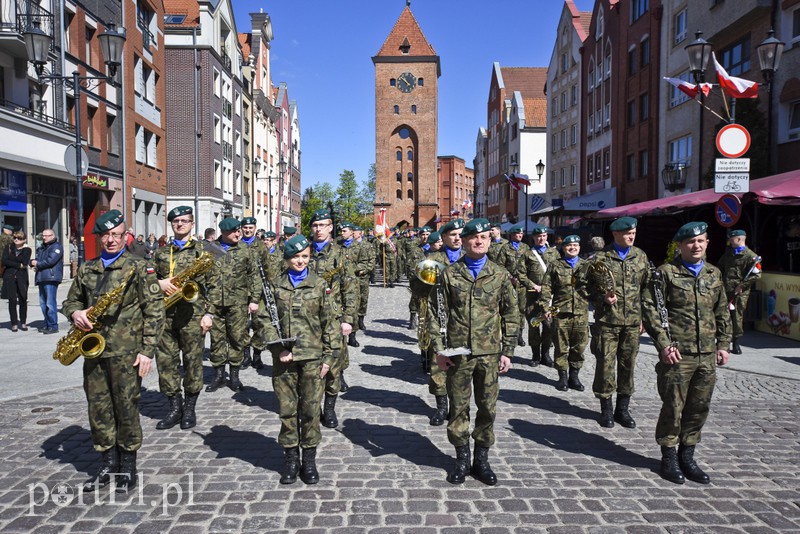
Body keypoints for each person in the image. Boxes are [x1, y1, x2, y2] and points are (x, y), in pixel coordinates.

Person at [61, 210, 165, 493]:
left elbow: (155, 312)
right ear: (99, 237)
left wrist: (147, 351)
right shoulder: (87, 268)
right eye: (105, 235)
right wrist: (75, 313)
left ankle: (128, 465)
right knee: (98, 407)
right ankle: (107, 462)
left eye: (116, 235)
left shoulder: (140, 267)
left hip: (127, 353)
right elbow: (70, 302)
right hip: (94, 352)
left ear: (125, 236)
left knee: (126, 406)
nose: (111, 240)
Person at [431, 218, 517, 486]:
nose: (479, 241)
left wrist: (508, 351)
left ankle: (481, 460)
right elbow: (437, 314)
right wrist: (440, 350)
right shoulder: (449, 274)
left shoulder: (500, 275)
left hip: (489, 353)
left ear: (490, 241)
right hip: (458, 352)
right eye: (473, 237)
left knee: (487, 407)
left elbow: (511, 314)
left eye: (484, 237)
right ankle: (461, 459)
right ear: (465, 241)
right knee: (458, 407)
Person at [642, 222, 730, 485]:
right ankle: (668, 457)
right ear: (680, 245)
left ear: (707, 243)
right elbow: (651, 310)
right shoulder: (665, 274)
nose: (696, 246)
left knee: (699, 407)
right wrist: (664, 345)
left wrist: (724, 344)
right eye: (691, 242)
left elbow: (722, 310)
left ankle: (687, 456)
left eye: (701, 241)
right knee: (673, 406)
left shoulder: (714, 273)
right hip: (678, 354)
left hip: (706, 353)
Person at [264, 234, 337, 485]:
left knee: (311, 410)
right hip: (284, 359)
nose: (300, 261)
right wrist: (278, 349)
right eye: (295, 256)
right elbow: (264, 320)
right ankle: (291, 459)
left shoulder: (319, 285)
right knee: (287, 410)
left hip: (312, 358)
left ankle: (309, 460)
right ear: (287, 258)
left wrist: (329, 357)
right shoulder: (275, 285)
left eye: (304, 256)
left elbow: (330, 323)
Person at [153, 206, 216, 431]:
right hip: (165, 315)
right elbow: (146, 282)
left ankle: (189, 408)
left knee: (192, 363)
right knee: (166, 363)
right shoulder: (161, 252)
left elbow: (214, 285)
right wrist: (159, 284)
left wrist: (209, 314)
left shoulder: (204, 251)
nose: (180, 224)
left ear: (192, 223)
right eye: (176, 221)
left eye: (184, 221)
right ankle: (174, 407)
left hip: (193, 315)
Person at [587, 216, 650, 429]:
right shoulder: (600, 258)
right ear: (615, 234)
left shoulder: (640, 256)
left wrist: (644, 317)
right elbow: (583, 288)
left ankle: (622, 409)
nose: (631, 236)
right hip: (607, 322)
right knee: (605, 365)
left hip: (632, 321)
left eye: (633, 233)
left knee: (628, 364)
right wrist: (601, 299)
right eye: (627, 233)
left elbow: (647, 289)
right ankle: (606, 409)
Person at [308, 208, 357, 428]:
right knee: (310, 364)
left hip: (333, 318)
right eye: (315, 225)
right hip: (307, 320)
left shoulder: (340, 253)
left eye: (323, 225)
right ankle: (313, 407)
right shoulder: (303, 252)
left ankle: (329, 408)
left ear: (330, 227)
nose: (318, 229)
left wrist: (348, 318)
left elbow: (350, 288)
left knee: (334, 366)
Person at [205, 217, 260, 393]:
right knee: (217, 339)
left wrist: (254, 300)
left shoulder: (245, 249)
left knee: (237, 338)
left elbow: (254, 275)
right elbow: (203, 275)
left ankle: (235, 376)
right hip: (215, 303)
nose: (239, 233)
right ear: (223, 232)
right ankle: (219, 375)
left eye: (239, 230)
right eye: (235, 231)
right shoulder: (211, 249)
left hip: (238, 302)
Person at [541, 235, 589, 391]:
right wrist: (545, 307)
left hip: (581, 313)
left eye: (575, 245)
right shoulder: (555, 265)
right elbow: (546, 287)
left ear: (579, 248)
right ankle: (562, 377)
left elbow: (595, 288)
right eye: (569, 245)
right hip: (561, 313)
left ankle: (574, 377)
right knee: (561, 347)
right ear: (563, 248)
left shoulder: (587, 266)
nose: (572, 248)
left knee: (579, 347)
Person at [717, 229, 761, 354]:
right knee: (724, 316)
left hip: (740, 292)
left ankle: (736, 342)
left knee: (736, 316)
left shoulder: (751, 256)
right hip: (726, 289)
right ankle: (724, 342)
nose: (730, 242)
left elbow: (756, 274)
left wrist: (742, 285)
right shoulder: (728, 254)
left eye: (732, 240)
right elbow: (720, 267)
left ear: (739, 239)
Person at [524, 225, 560, 366]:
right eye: (539, 236)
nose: (541, 238)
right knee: (534, 325)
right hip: (533, 297)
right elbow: (520, 273)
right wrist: (533, 285)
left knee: (549, 326)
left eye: (544, 236)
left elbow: (560, 272)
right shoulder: (528, 254)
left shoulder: (554, 253)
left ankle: (546, 354)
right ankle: (535, 355)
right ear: (534, 237)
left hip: (549, 298)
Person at [240, 217, 272, 370]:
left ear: (254, 228)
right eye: (245, 227)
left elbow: (267, 268)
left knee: (259, 324)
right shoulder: (237, 245)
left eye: (250, 228)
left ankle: (257, 355)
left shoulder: (261, 246)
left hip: (258, 291)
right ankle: (246, 355)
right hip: (240, 291)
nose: (247, 230)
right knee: (242, 325)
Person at [496, 224, 532, 347]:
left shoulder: (526, 247)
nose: (520, 235)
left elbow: (530, 264)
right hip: (509, 284)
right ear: (512, 235)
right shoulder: (505, 248)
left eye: (521, 233)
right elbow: (500, 265)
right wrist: (510, 277)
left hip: (522, 284)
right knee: (508, 308)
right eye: (517, 233)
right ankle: (507, 333)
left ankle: (519, 334)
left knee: (522, 309)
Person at [31, 228, 64, 334]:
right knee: (43, 303)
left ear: (52, 236)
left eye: (46, 235)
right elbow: (38, 260)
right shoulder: (42, 248)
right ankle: (47, 324)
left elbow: (50, 261)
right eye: (43, 235)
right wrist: (32, 262)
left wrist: (37, 263)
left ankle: (53, 326)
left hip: (51, 277)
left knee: (50, 303)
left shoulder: (57, 246)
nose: (44, 237)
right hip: (42, 277)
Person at [2, 231, 31, 331]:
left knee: (23, 299)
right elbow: (4, 261)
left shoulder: (27, 249)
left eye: (19, 238)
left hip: (22, 277)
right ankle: (14, 323)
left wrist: (14, 261)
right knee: (12, 300)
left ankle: (23, 322)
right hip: (9, 276)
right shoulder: (9, 247)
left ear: (24, 240)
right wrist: (18, 265)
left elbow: (25, 262)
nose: (16, 240)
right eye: (15, 238)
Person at [406, 226, 431, 331]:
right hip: (417, 280)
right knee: (415, 299)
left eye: (427, 235)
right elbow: (410, 265)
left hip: (431, 281)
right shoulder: (415, 250)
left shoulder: (435, 249)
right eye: (423, 235)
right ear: (419, 236)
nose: (425, 237)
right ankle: (413, 316)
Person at [353, 226, 374, 332]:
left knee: (363, 298)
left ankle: (361, 319)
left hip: (363, 277)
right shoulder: (350, 245)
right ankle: (353, 320)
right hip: (352, 276)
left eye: (355, 232)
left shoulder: (367, 245)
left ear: (360, 233)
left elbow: (372, 259)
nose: (353, 233)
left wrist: (366, 270)